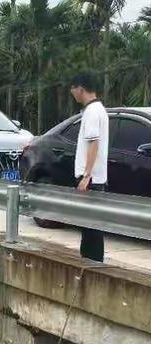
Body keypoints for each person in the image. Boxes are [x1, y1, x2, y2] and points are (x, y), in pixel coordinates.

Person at [70, 72, 109, 262]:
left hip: (90, 179)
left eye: (73, 89)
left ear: (80, 89)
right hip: (96, 178)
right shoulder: (99, 109)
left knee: (90, 228)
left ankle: (91, 263)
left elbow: (93, 143)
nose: (72, 93)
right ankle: (91, 262)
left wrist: (86, 175)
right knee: (91, 226)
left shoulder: (92, 112)